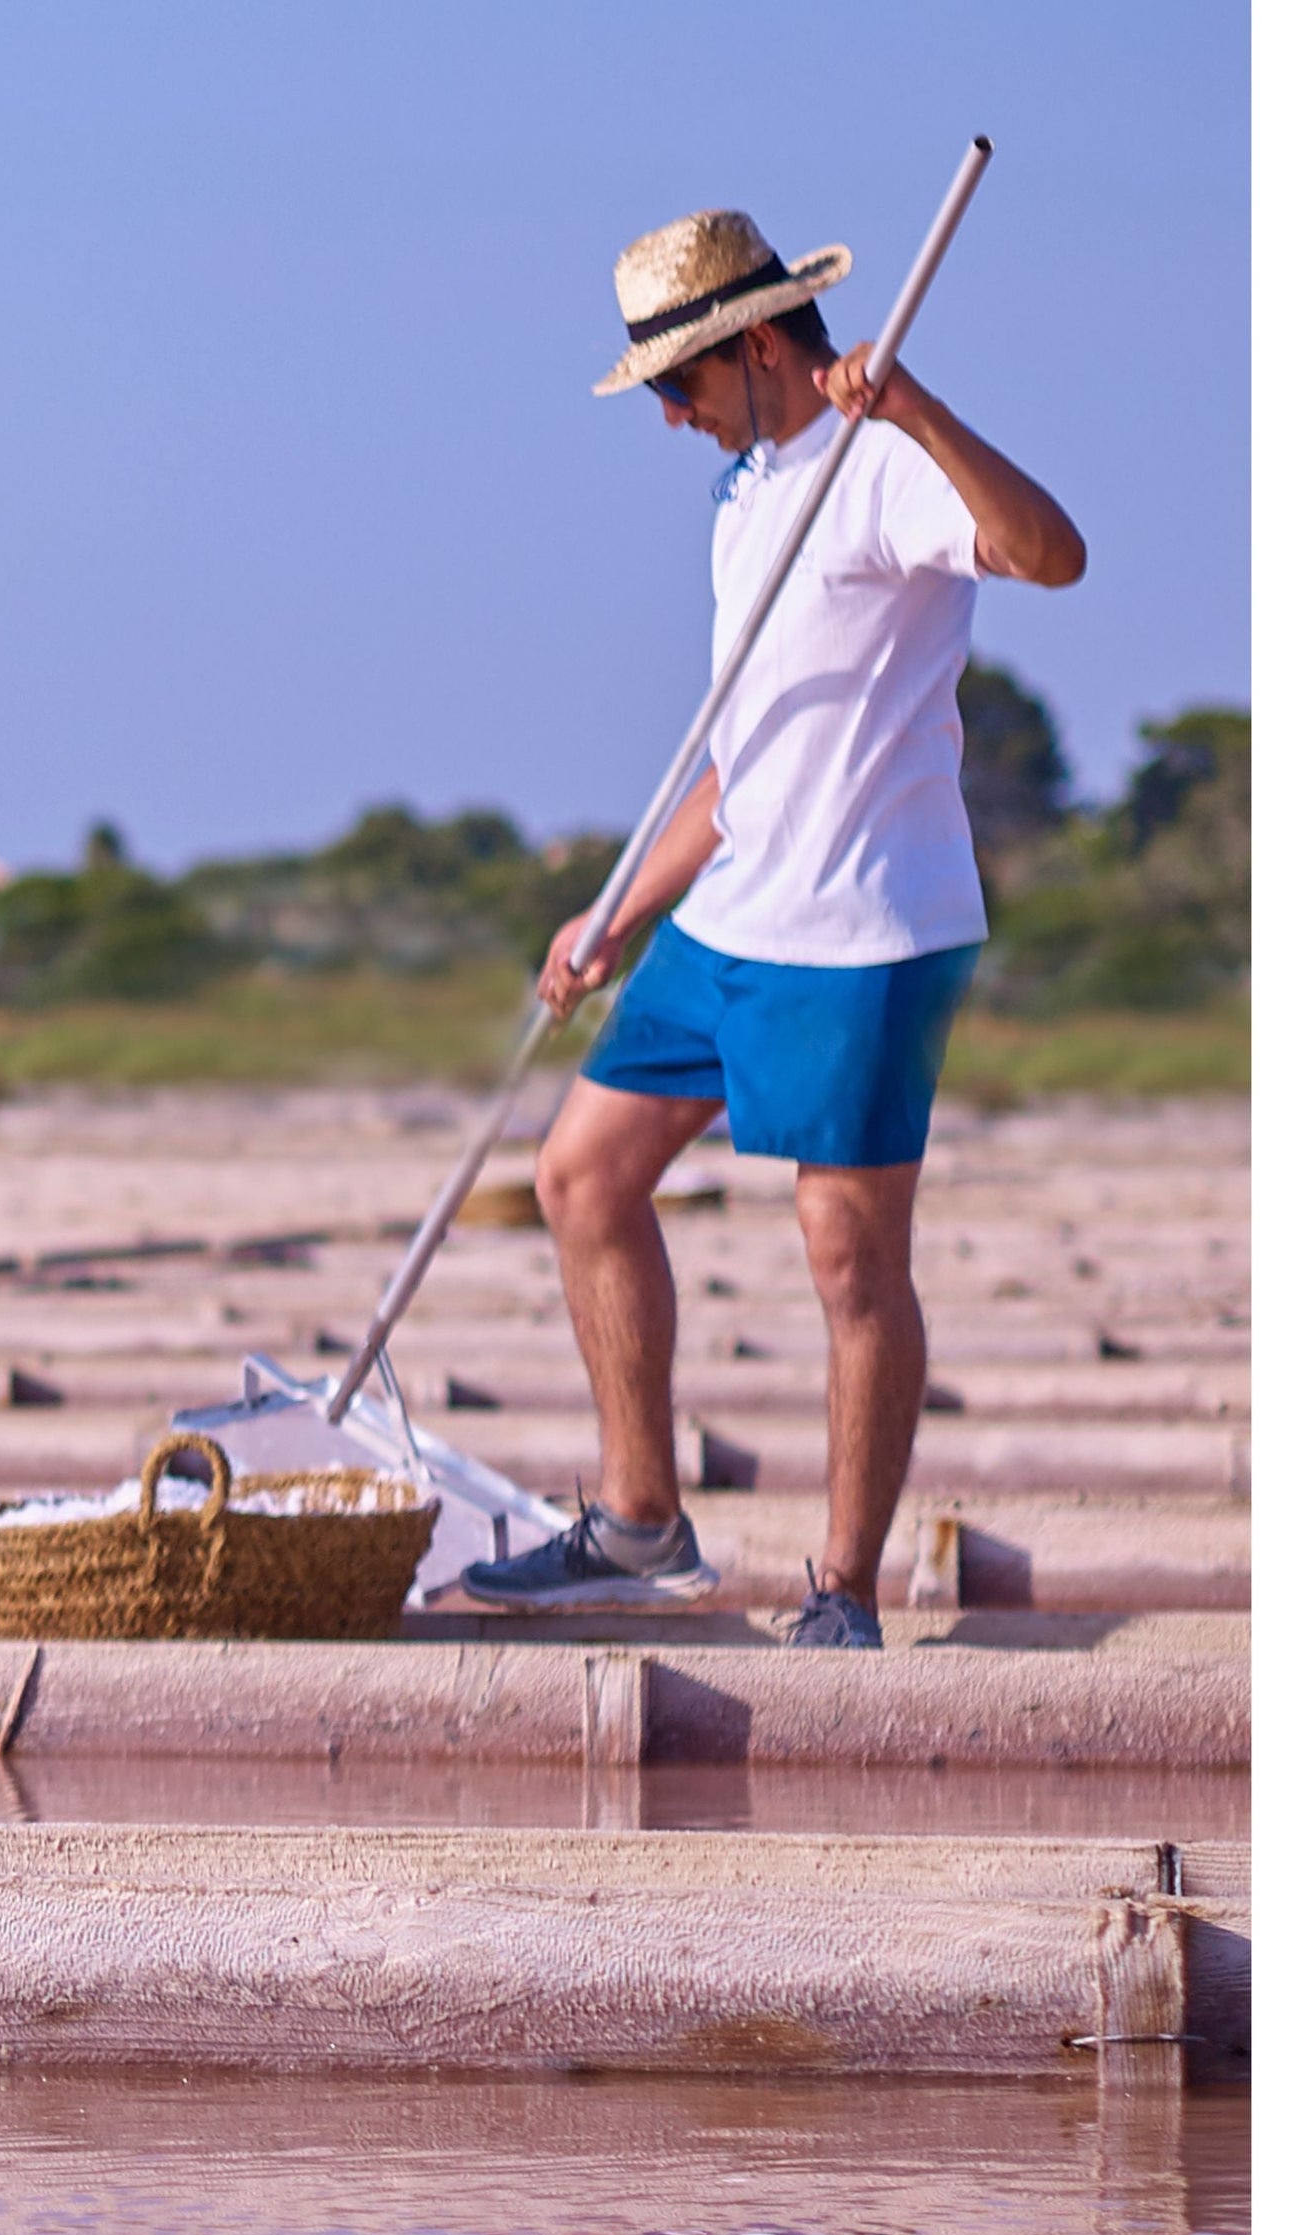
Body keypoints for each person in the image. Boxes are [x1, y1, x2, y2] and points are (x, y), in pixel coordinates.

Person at [451, 208, 1083, 1646]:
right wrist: (619, 909)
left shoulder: (880, 479)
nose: (671, 420)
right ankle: (637, 1520)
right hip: (728, 922)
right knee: (580, 1178)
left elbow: (1052, 555)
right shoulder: (748, 498)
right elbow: (744, 767)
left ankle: (843, 1589)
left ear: (751, 347)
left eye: (679, 388)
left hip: (865, 933)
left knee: (851, 1264)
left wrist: (915, 407)